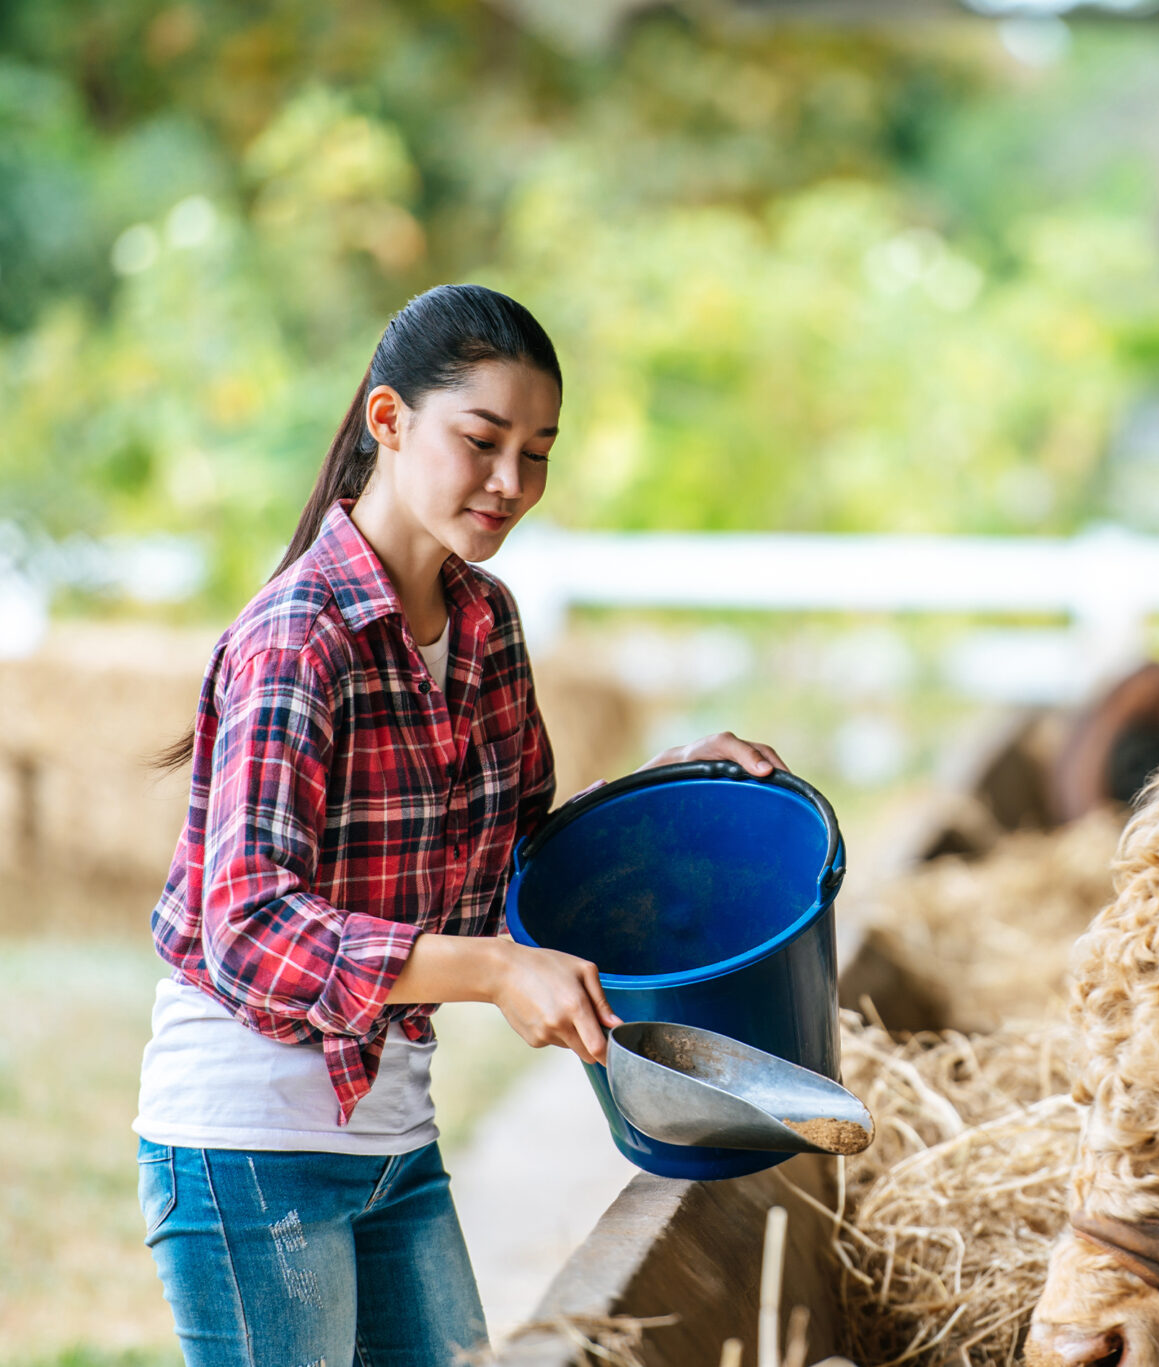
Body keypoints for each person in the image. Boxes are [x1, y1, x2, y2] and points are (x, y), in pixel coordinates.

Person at [133, 284, 785, 1367]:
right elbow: (245, 926)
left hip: (393, 1127)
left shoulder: (485, 620)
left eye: (536, 452)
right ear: (388, 421)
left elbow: (512, 866)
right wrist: (488, 972)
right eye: (481, 440)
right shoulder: (302, 637)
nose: (510, 483)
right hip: (250, 1142)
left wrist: (669, 791)